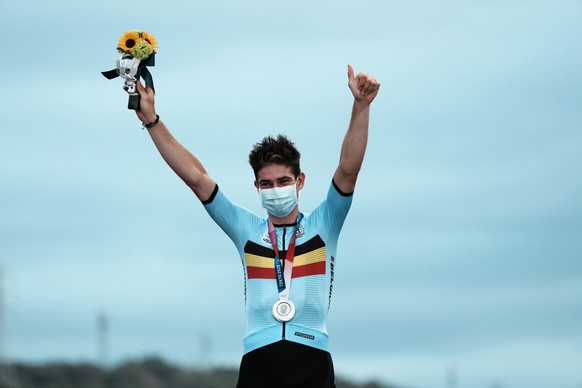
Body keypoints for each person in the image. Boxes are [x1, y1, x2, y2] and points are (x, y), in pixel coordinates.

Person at [131, 64, 380, 387]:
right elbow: (196, 178)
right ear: (256, 187)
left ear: (300, 181)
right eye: (267, 183)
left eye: (283, 181)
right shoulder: (245, 229)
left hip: (312, 360)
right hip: (258, 363)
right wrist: (152, 120)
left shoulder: (326, 222)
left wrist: (361, 106)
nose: (276, 189)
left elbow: (348, 170)